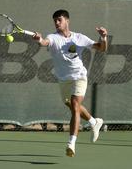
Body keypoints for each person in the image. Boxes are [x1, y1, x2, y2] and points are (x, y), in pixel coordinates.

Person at [33, 9, 108, 157]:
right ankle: (94, 122)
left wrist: (103, 38)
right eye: (55, 20)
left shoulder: (79, 37)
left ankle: (71, 143)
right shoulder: (53, 37)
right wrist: (39, 40)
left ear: (67, 21)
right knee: (72, 105)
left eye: (59, 20)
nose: (56, 23)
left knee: (75, 105)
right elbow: (45, 42)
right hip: (63, 79)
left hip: (79, 76)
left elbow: (101, 48)